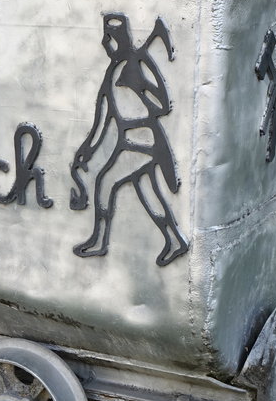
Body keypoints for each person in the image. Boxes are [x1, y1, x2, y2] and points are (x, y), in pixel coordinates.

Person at [70, 15, 190, 267]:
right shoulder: (112, 70)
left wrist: (139, 87)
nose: (105, 42)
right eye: (105, 37)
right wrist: (88, 148)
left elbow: (163, 105)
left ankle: (100, 240)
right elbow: (104, 115)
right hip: (127, 142)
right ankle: (174, 240)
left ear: (120, 38)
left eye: (110, 37)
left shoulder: (138, 62)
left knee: (105, 182)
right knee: (149, 194)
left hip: (144, 141)